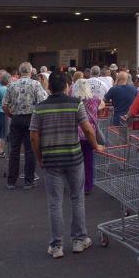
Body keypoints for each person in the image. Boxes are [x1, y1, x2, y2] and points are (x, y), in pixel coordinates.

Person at [30, 71, 103, 259]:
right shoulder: (75, 104)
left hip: (51, 159)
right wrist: (96, 145)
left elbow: (33, 135)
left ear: (48, 87)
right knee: (77, 197)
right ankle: (79, 240)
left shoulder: (40, 108)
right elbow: (87, 129)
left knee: (55, 202)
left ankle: (56, 245)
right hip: (73, 157)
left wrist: (39, 156)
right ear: (66, 86)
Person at [3, 61, 48, 190]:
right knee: (30, 150)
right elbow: (43, 101)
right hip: (31, 119)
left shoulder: (12, 85)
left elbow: (4, 104)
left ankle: (11, 181)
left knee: (14, 150)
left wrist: (11, 115)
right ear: (30, 71)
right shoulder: (35, 84)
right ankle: (29, 180)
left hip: (16, 119)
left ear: (19, 71)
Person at [71, 78, 101, 195]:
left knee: (75, 163)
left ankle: (76, 185)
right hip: (89, 134)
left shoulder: (73, 102)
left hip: (75, 135)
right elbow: (102, 104)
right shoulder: (94, 100)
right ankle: (87, 186)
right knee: (89, 162)